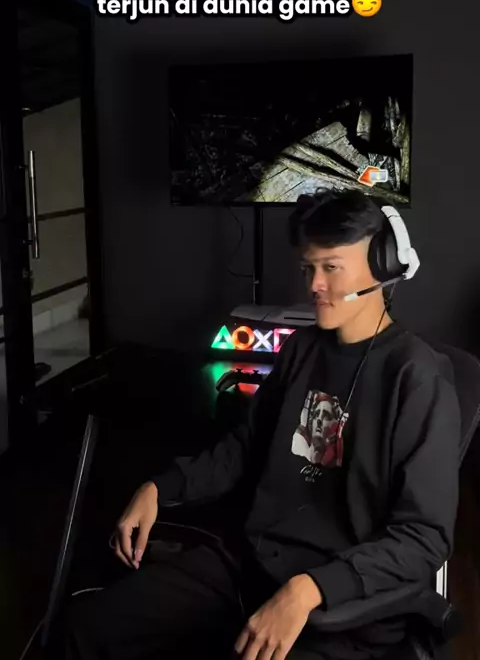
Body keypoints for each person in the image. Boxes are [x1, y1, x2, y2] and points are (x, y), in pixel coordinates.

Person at [64, 189, 460, 660]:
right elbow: (243, 448)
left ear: (384, 266)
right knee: (88, 629)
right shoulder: (300, 350)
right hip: (251, 567)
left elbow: (424, 537)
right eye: (308, 268)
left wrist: (310, 589)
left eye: (331, 267)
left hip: (341, 608)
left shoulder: (417, 377)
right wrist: (160, 486)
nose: (314, 284)